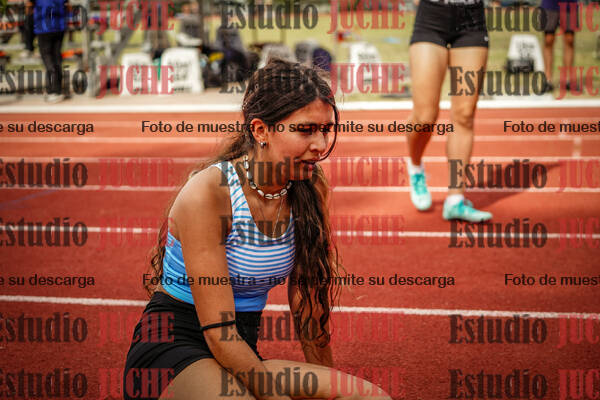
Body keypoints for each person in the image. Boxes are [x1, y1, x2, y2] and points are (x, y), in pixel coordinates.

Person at [123, 59, 393, 400]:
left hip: (240, 353)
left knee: (369, 397)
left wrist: (326, 380)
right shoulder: (210, 193)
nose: (321, 145)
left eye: (326, 129)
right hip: (174, 349)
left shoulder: (311, 186)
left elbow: (308, 304)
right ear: (261, 130)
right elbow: (218, 331)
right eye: (306, 130)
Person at [406, 0, 492, 222]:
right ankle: (415, 167)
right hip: (432, 18)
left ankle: (455, 200)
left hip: (472, 20)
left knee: (464, 114)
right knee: (425, 117)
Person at [30, 0, 68, 102]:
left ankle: (54, 91)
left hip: (44, 27)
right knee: (56, 57)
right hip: (58, 26)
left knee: (48, 58)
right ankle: (56, 90)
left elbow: (29, 5)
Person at [540, 0, 580, 93]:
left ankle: (568, 80)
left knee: (569, 39)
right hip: (550, 4)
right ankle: (547, 80)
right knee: (548, 39)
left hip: (570, 4)